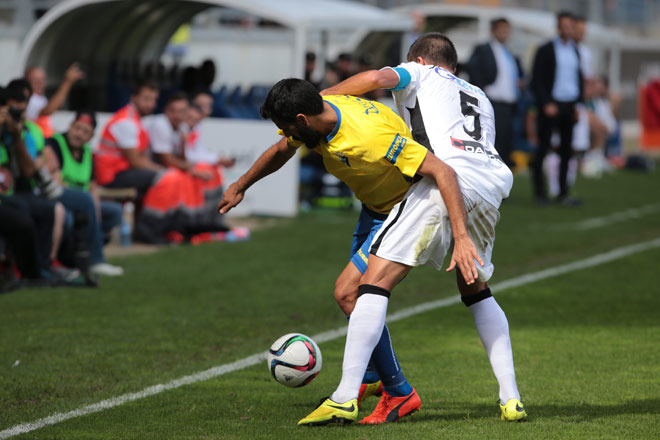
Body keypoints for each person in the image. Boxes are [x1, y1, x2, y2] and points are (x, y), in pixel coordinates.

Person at [219, 74, 490, 424]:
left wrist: (461, 236)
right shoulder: (317, 117)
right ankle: (370, 377)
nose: (286, 135)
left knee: (348, 292)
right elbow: (280, 150)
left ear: (301, 120)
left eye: (287, 128)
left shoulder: (369, 137)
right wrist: (241, 185)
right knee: (356, 299)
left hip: (403, 211)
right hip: (373, 210)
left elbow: (441, 170)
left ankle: (400, 392)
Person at [302, 32, 525, 424]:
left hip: (445, 183)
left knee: (370, 284)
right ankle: (511, 398)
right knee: (476, 290)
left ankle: (344, 396)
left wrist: (320, 101)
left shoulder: (419, 73)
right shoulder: (479, 94)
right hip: (489, 190)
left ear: (420, 60)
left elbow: (373, 79)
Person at [43, 111, 124, 276]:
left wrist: (96, 211)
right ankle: (96, 260)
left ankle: (83, 251)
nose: (79, 134)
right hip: (56, 195)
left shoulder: (87, 153)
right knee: (84, 202)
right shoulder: (54, 144)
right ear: (70, 126)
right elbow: (55, 181)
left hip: (83, 202)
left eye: (85, 132)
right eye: (77, 128)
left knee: (115, 211)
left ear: (91, 136)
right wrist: (88, 201)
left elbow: (93, 187)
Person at [530, 11, 583, 206]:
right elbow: (537, 79)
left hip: (569, 105)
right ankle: (540, 193)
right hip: (551, 105)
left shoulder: (575, 50)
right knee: (543, 149)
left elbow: (577, 80)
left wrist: (578, 104)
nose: (567, 29)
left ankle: (563, 193)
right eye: (564, 25)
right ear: (559, 27)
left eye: (571, 26)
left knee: (567, 151)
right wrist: (545, 103)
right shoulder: (546, 49)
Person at [467, 18, 524, 167]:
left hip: (509, 105)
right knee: (493, 142)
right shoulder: (483, 49)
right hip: (493, 102)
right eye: (502, 30)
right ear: (493, 31)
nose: (505, 33)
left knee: (506, 143)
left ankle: (501, 176)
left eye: (507, 30)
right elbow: (473, 70)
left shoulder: (509, 52)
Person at [95, 80, 163, 198]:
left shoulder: (136, 119)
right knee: (162, 178)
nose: (150, 104)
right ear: (134, 98)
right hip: (110, 176)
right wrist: (163, 171)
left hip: (122, 171)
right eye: (146, 99)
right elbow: (135, 161)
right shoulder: (126, 122)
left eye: (153, 100)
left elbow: (141, 156)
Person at [25, 63, 84, 138]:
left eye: (43, 79)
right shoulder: (30, 99)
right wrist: (68, 81)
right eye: (36, 80)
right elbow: (49, 110)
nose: (41, 83)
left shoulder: (41, 98)